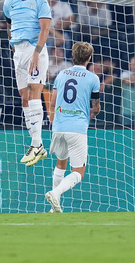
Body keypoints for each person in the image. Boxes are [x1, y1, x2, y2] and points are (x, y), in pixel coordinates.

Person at [3, 0, 52, 167]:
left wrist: (36, 52)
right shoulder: (9, 3)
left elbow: (45, 28)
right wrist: (13, 42)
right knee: (24, 98)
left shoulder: (41, 2)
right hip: (19, 52)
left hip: (35, 50)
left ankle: (37, 144)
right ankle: (36, 145)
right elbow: (9, 23)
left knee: (34, 94)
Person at [45, 42, 100, 213]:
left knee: (61, 164)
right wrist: (91, 113)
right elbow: (96, 107)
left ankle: (54, 209)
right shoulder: (93, 78)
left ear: (73, 56)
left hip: (59, 126)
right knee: (79, 172)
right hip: (77, 129)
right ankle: (55, 193)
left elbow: (53, 103)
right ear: (89, 58)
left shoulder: (61, 74)